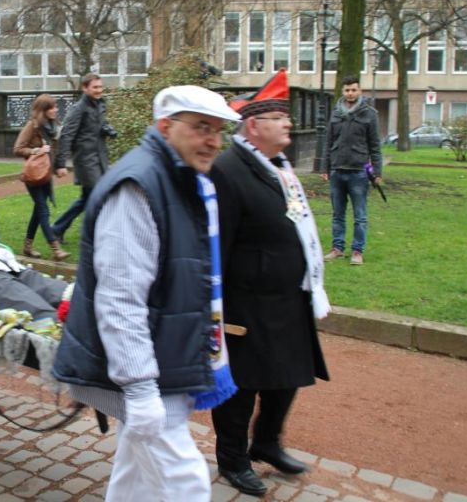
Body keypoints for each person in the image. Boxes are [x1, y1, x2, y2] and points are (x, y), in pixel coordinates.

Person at [53, 85, 242, 501]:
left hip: (161, 358)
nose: (214, 141)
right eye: (202, 127)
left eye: (218, 130)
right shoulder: (138, 185)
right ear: (166, 126)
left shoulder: (179, 177)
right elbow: (120, 298)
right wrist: (139, 389)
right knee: (185, 483)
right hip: (143, 370)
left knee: (135, 478)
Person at [210, 70, 330, 497]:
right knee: (242, 387)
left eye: (286, 116)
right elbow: (218, 242)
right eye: (279, 117)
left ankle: (266, 442)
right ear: (254, 125)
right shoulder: (228, 170)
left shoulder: (279, 166)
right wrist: (217, 305)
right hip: (246, 301)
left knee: (288, 374)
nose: (288, 123)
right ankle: (233, 459)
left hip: (287, 297)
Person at [321, 75, 383, 266]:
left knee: (360, 216)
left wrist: (377, 172)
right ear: (343, 91)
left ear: (360, 91)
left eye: (353, 90)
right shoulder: (335, 113)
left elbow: (375, 146)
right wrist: (325, 167)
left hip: (358, 172)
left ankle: (357, 251)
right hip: (337, 171)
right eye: (347, 90)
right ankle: (337, 248)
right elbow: (328, 142)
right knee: (337, 215)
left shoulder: (370, 114)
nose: (350, 93)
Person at [50, 73, 116, 242]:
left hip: (100, 157)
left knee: (87, 198)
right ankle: (95, 234)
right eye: (95, 87)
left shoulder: (99, 104)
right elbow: (67, 135)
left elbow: (96, 125)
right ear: (85, 88)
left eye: (100, 87)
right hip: (86, 160)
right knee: (97, 196)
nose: (99, 90)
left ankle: (57, 229)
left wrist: (107, 129)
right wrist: (60, 163)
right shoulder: (78, 108)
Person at [12, 94, 70, 261]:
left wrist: (58, 167)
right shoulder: (33, 126)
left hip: (45, 174)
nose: (55, 110)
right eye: (51, 108)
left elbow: (55, 150)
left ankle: (27, 247)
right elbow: (17, 148)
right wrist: (35, 151)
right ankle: (55, 248)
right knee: (43, 210)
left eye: (55, 107)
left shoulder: (54, 127)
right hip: (33, 175)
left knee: (38, 211)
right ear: (43, 110)